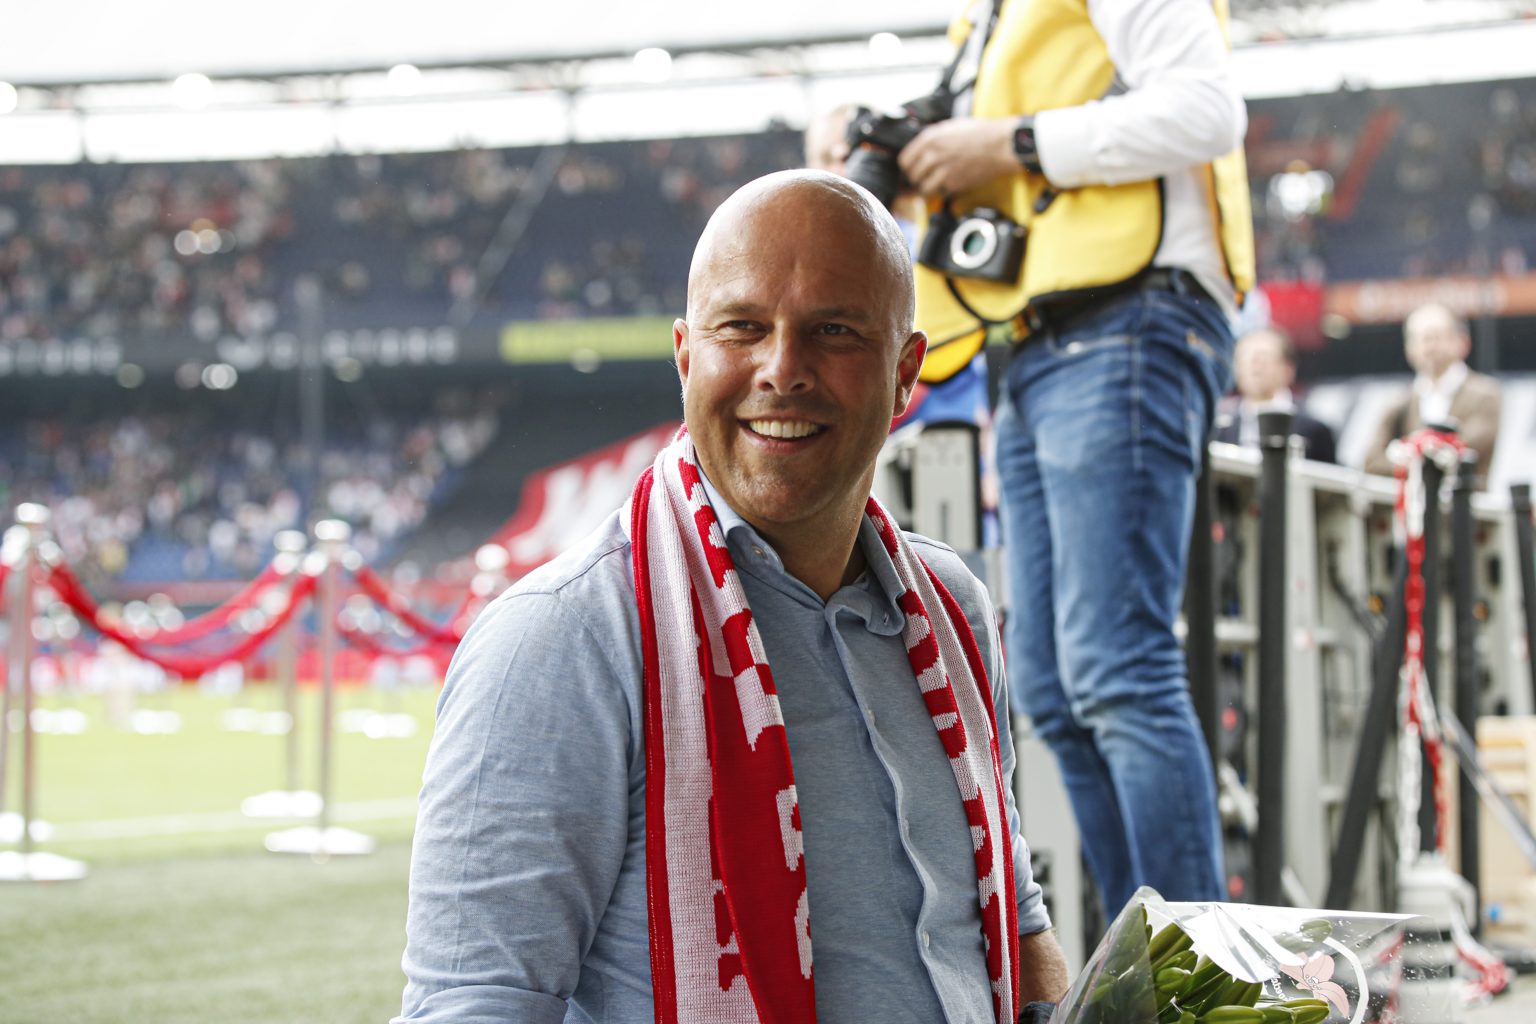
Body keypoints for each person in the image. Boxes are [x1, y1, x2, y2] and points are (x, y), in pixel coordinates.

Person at [396, 170, 1069, 1024]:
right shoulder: (562, 638)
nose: (782, 370)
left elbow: (1013, 917)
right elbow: (477, 1005)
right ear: (686, 358)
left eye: (833, 331)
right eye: (742, 329)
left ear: (905, 375)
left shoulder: (956, 609)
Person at [888, 0, 1257, 914]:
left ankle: (1198, 983)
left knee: (1115, 668)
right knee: (1054, 688)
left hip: (1128, 320)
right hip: (1046, 337)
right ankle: (1154, 955)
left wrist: (1011, 144)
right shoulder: (985, 23)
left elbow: (1209, 109)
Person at [1363, 302, 1501, 485]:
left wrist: (1410, 454)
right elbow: (1372, 462)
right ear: (1408, 348)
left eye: (1436, 336)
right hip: (1412, 509)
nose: (1429, 345)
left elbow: (1465, 450)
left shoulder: (1485, 395)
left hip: (1464, 507)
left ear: (1462, 341)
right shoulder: (1400, 402)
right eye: (1420, 338)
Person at [1213, 326, 1337, 463]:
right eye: (1246, 358)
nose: (1255, 367)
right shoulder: (1219, 427)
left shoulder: (1314, 431)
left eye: (1263, 358)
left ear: (1288, 369)